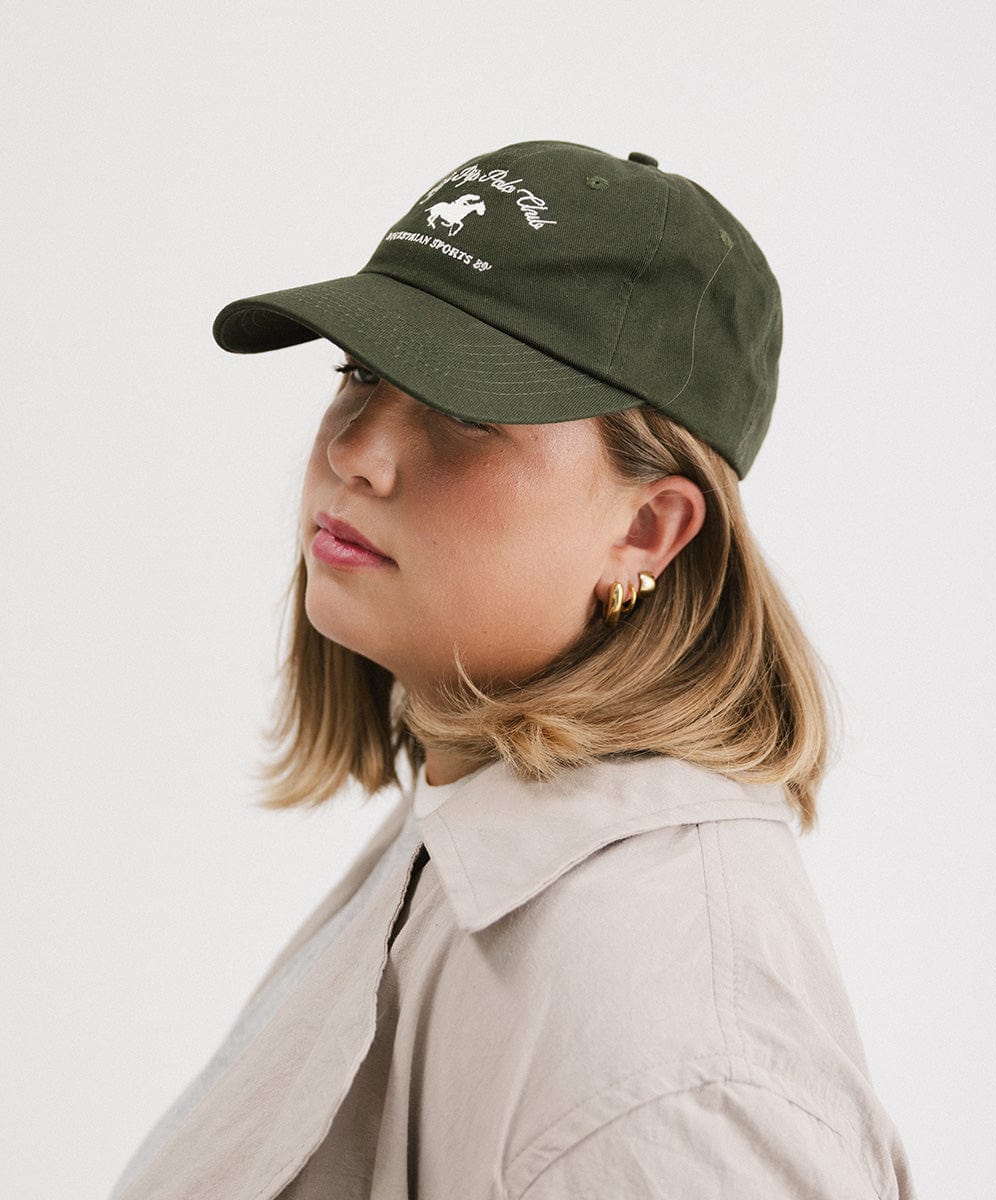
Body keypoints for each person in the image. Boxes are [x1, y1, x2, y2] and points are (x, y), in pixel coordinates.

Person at [108, 140, 917, 1199]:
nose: (359, 451)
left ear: (647, 528)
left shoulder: (669, 1060)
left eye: (462, 412)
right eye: (359, 371)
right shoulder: (467, 834)